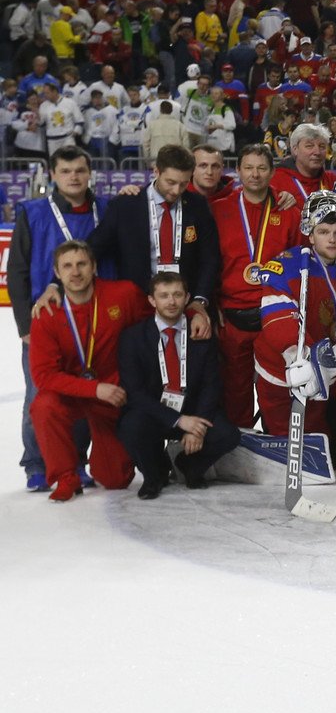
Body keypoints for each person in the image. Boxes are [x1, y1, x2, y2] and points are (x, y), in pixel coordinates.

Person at [255, 193, 336, 458]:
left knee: (318, 435)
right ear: (310, 234)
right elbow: (276, 318)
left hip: (332, 371)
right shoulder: (285, 268)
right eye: (324, 231)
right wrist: (298, 356)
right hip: (283, 368)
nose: (332, 239)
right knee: (283, 432)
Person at [28, 241, 151, 501]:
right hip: (73, 394)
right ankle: (65, 477)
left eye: (82, 264)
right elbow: (44, 376)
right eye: (67, 266)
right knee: (44, 405)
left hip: (114, 395)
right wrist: (94, 388)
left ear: (94, 267)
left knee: (116, 479)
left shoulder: (123, 294)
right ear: (57, 273)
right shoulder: (46, 313)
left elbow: (153, 328)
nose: (75, 272)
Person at [9, 145, 97, 490]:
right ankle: (35, 464)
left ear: (89, 173)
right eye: (65, 171)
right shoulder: (32, 212)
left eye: (79, 170)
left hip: (89, 320)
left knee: (83, 393)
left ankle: (75, 461)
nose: (73, 177)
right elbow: (16, 270)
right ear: (53, 175)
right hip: (44, 319)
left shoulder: (104, 209)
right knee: (38, 395)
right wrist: (23, 326)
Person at [115, 271, 242, 499]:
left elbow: (211, 385)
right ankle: (155, 475)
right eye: (163, 296)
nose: (171, 301)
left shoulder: (202, 334)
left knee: (228, 434)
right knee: (130, 425)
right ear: (152, 300)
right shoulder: (132, 338)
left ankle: (190, 465)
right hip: (156, 412)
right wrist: (179, 421)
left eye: (177, 294)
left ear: (187, 297)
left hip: (192, 409)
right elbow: (135, 393)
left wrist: (198, 428)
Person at [211, 144, 306, 429]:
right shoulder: (218, 209)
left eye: (262, 168)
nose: (255, 174)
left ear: (273, 172)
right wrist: (210, 304)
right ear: (238, 170)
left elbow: (297, 264)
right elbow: (210, 262)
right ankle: (239, 443)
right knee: (235, 385)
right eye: (249, 167)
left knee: (275, 383)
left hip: (272, 313)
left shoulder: (288, 210)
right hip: (232, 310)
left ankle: (278, 440)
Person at [85, 142, 221, 326]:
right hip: (138, 302)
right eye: (171, 182)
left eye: (184, 184)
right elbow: (93, 247)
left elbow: (210, 258)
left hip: (183, 304)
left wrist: (200, 299)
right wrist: (56, 284)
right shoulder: (126, 205)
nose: (176, 191)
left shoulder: (198, 206)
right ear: (156, 171)